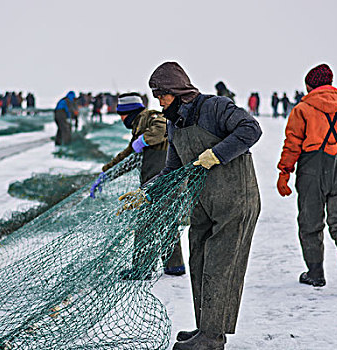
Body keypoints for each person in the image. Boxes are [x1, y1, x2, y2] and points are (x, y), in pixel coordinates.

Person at [148, 62, 262, 350]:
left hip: (235, 198)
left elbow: (251, 129)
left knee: (220, 265)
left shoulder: (214, 108)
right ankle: (205, 328)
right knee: (199, 262)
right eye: (155, 95)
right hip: (202, 204)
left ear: (177, 90)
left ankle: (212, 337)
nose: (159, 101)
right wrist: (147, 193)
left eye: (162, 94)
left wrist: (218, 154)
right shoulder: (174, 125)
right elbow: (172, 171)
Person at [276, 63, 337, 296]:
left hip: (312, 169)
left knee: (310, 222)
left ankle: (316, 273)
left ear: (310, 85)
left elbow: (292, 144)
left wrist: (284, 173)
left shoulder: (302, 109)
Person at [91, 92, 186, 276]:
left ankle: (142, 268)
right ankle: (174, 266)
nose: (121, 118)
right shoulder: (139, 128)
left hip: (164, 180)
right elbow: (126, 156)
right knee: (167, 221)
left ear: (132, 112)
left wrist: (144, 140)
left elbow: (163, 127)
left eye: (122, 114)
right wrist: (106, 173)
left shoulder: (152, 118)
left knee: (146, 223)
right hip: (159, 182)